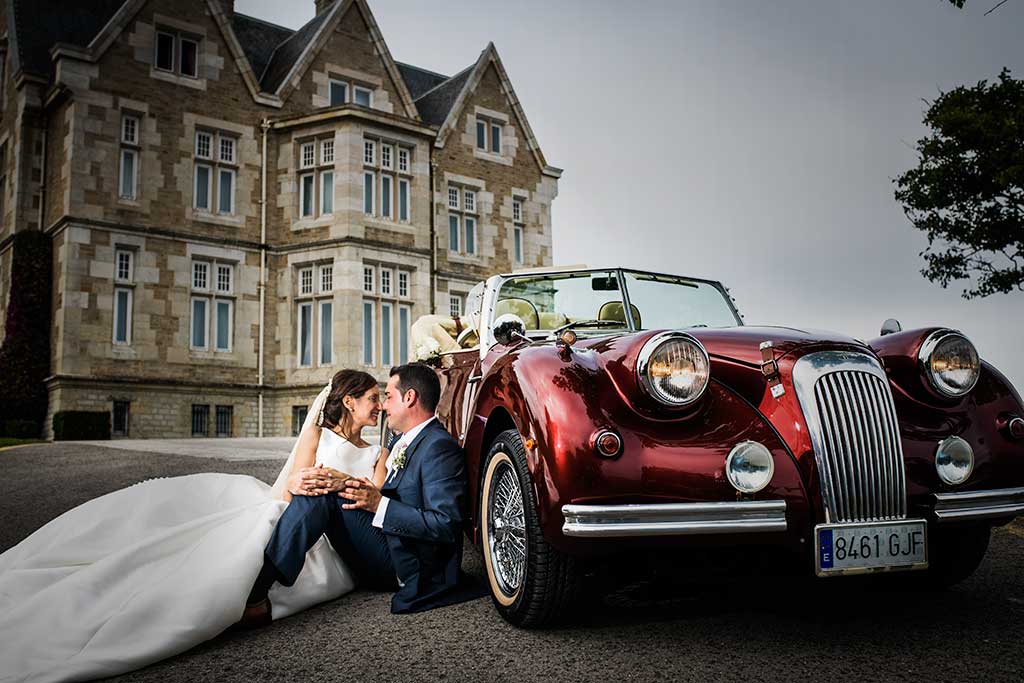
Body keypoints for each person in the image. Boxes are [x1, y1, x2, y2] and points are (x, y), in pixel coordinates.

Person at [0, 369, 402, 683]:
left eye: (381, 398)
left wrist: (343, 484)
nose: (380, 405)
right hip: (300, 509)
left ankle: (248, 595)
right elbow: (292, 483)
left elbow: (376, 496)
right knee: (226, 527)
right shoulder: (319, 434)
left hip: (339, 530)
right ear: (348, 401)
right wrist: (302, 482)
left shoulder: (378, 453)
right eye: (372, 398)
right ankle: (229, 590)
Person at [243, 362, 486, 622]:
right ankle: (261, 589)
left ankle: (259, 592)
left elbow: (446, 525)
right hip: (388, 542)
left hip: (408, 565)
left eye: (388, 397)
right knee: (322, 485)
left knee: (324, 490)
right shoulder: (402, 441)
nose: (383, 405)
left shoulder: (438, 447)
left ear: (410, 398)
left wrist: (378, 503)